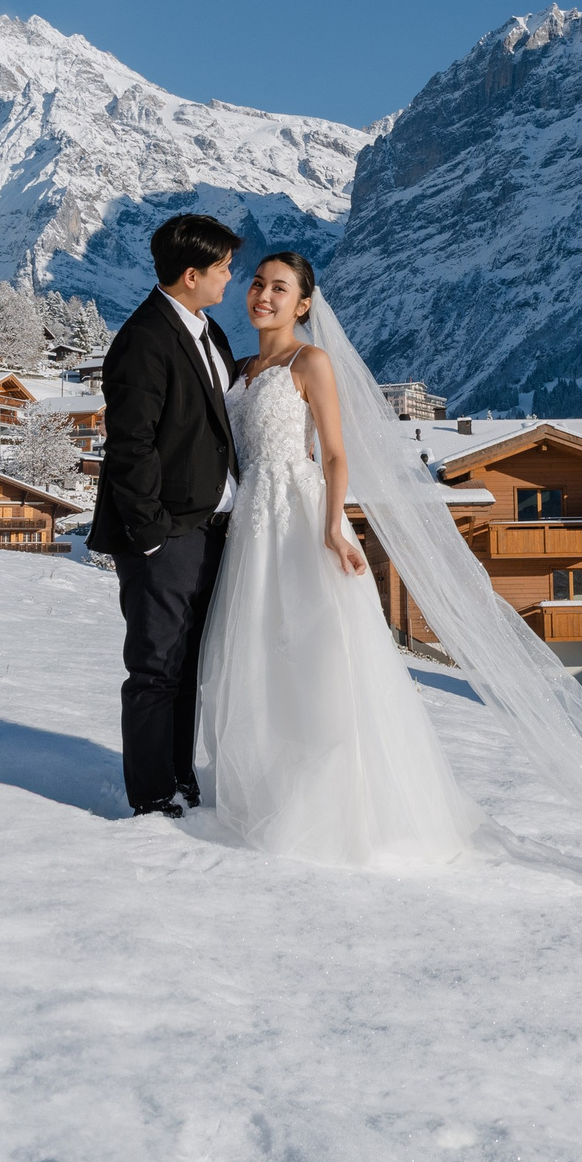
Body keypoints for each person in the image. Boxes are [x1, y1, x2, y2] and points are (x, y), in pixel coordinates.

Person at [193, 251, 478, 864]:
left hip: (297, 515)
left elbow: (337, 455)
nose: (263, 296)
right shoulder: (241, 368)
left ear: (303, 304)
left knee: (315, 655)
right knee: (255, 651)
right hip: (250, 523)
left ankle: (334, 807)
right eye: (258, 284)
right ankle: (262, 787)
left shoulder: (310, 361)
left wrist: (332, 529)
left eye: (280, 288)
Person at [88, 213, 245, 818]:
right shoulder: (144, 339)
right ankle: (153, 797)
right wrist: (153, 535)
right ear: (190, 274)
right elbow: (131, 445)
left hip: (210, 528)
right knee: (154, 669)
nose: (231, 279)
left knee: (187, 667)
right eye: (224, 269)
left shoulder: (211, 333)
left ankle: (182, 778)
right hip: (167, 534)